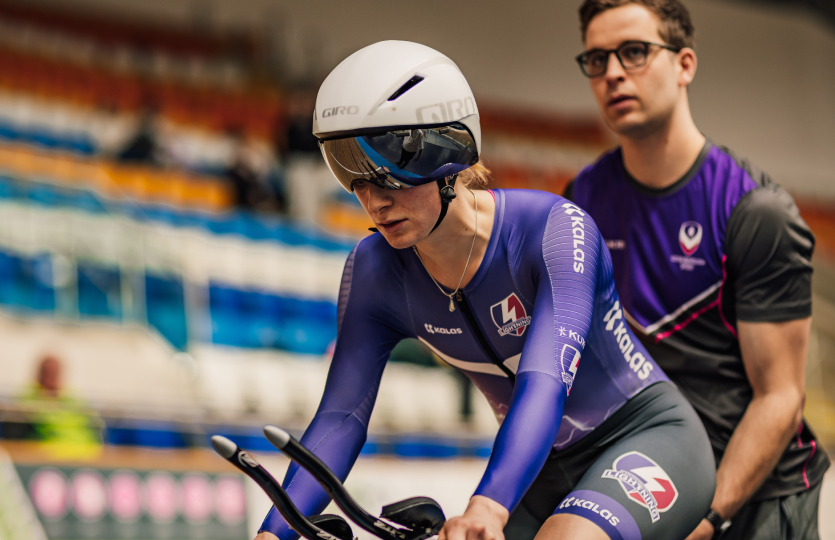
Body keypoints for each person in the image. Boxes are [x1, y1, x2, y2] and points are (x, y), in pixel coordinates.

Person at [255, 40, 715, 540]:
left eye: (386, 168)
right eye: (349, 172)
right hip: (538, 472)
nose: (371, 199)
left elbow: (544, 383)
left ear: (445, 150)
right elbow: (341, 416)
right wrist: (273, 531)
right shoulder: (374, 270)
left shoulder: (555, 232)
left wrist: (489, 506)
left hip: (642, 438)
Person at [562, 2, 829, 539]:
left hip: (757, 499)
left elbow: (780, 396)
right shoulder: (582, 201)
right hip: (654, 481)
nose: (612, 72)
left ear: (685, 64)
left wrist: (709, 518)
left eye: (634, 52)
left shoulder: (754, 212)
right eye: (596, 59)